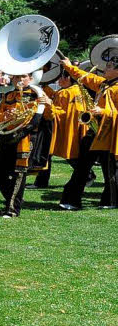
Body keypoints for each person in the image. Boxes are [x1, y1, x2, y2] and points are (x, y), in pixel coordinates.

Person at [58, 43, 118, 209]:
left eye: (110, 66)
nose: (106, 68)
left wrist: (103, 111)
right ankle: (71, 200)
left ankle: (111, 201)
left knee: (110, 170)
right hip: (95, 132)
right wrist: (70, 67)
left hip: (110, 134)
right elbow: (84, 77)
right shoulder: (104, 83)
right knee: (82, 167)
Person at [0, 72, 56, 217]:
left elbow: (49, 116)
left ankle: (12, 209)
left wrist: (48, 105)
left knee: (18, 173)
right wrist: (6, 116)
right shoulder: (8, 95)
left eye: (23, 77)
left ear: (31, 79)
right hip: (8, 137)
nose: (19, 80)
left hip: (27, 139)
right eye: (16, 77)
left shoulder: (39, 94)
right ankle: (14, 200)